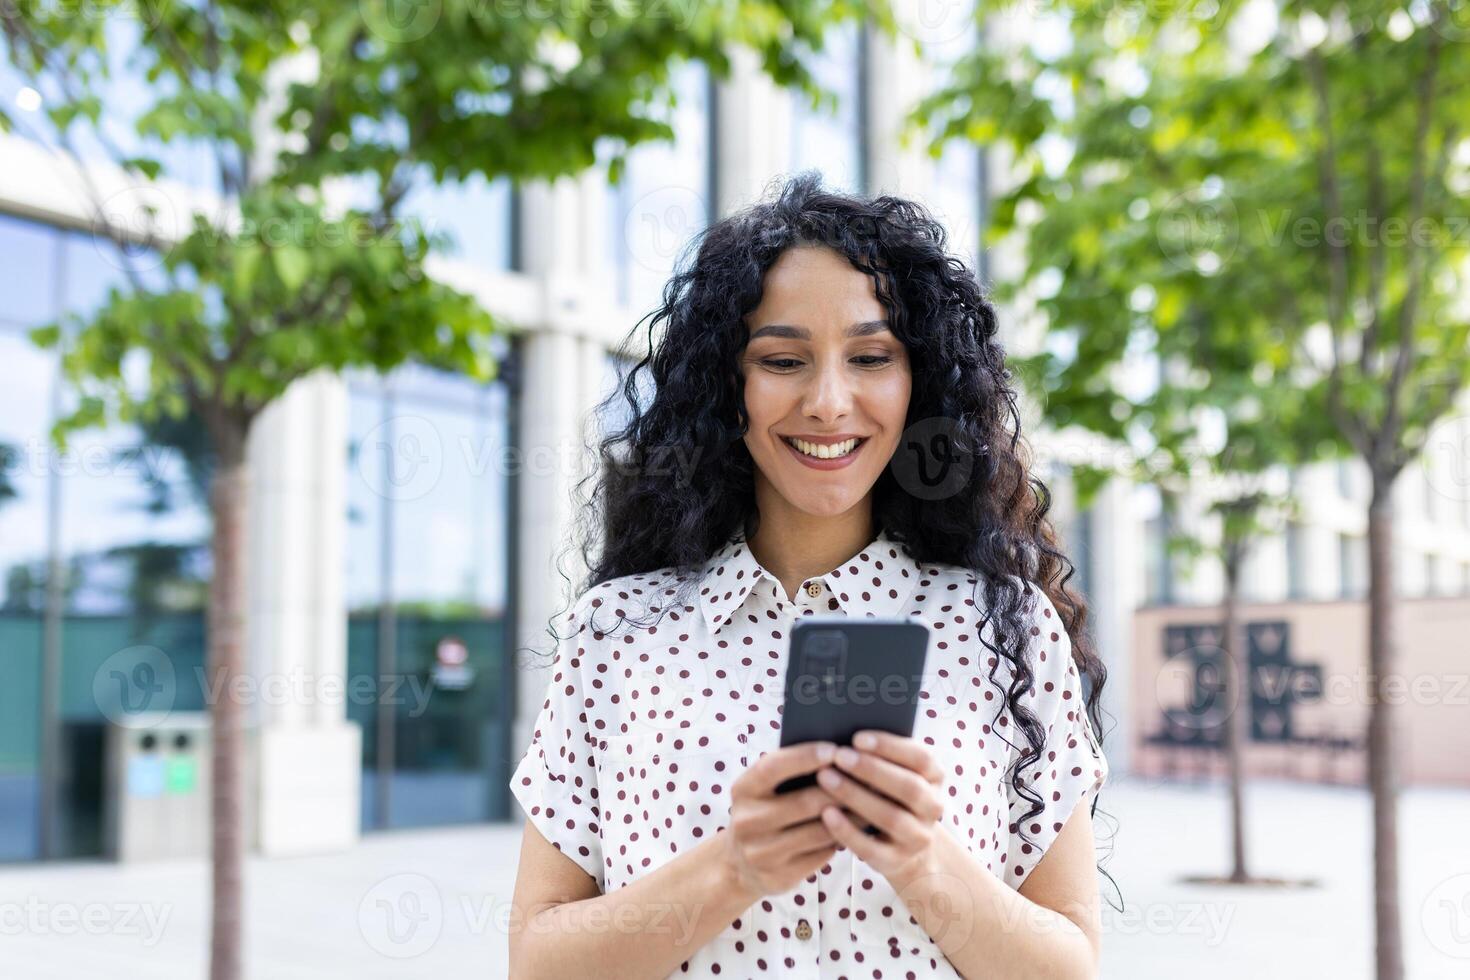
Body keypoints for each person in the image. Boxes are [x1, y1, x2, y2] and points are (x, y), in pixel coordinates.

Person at [507, 171, 1112, 979]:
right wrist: (734, 867)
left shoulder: (1005, 627)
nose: (829, 402)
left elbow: (1071, 968)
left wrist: (925, 862)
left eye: (871, 356)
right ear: (731, 387)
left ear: (918, 383)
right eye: (784, 359)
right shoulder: (619, 633)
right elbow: (536, 963)